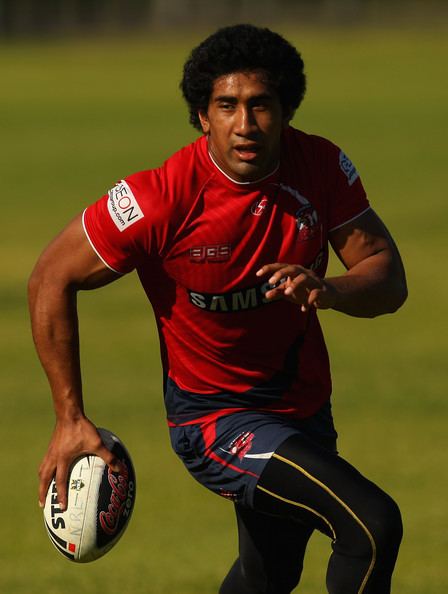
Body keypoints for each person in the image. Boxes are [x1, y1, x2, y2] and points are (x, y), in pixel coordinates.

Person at [29, 24, 407, 594]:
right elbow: (50, 278)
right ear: (203, 116)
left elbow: (386, 274)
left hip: (302, 408)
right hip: (214, 419)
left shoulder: (321, 166)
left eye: (261, 105)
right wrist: (69, 418)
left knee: (268, 574)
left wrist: (333, 291)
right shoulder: (160, 198)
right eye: (226, 106)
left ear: (286, 110)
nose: (245, 124)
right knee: (371, 526)